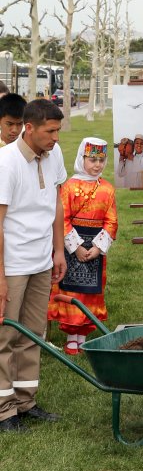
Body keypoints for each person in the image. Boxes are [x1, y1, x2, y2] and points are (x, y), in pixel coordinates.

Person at [0, 98, 67, 432]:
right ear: (29, 128)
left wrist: (59, 250)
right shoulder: (6, 162)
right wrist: (0, 277)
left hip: (42, 260)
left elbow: (56, 203)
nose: (56, 137)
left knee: (33, 334)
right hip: (12, 264)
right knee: (6, 337)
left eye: (58, 130)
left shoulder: (54, 153)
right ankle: (4, 410)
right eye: (50, 131)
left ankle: (26, 402)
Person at [47, 138, 118, 354]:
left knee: (91, 293)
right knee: (72, 291)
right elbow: (62, 218)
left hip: (95, 248)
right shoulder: (69, 187)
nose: (97, 164)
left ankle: (83, 335)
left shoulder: (107, 189)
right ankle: (71, 336)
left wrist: (98, 247)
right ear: (82, 158)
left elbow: (112, 221)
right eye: (92, 159)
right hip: (72, 247)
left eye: (101, 160)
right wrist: (76, 246)